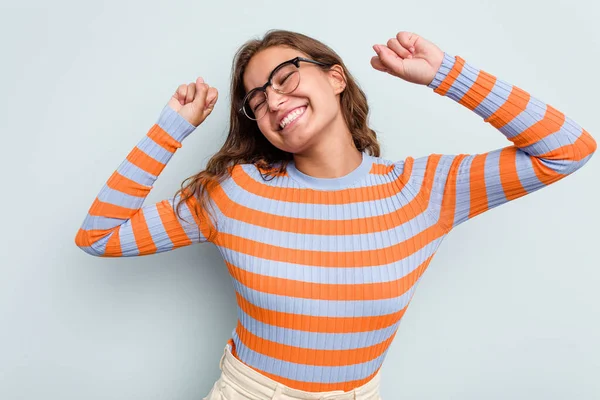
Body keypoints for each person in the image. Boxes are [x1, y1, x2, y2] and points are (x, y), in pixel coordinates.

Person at [74, 29, 596, 400]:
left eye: (283, 77)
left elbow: (568, 149)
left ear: (336, 78)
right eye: (255, 99)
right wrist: (170, 129)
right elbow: (98, 236)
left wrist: (446, 74)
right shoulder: (235, 194)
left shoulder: (424, 190)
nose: (273, 101)